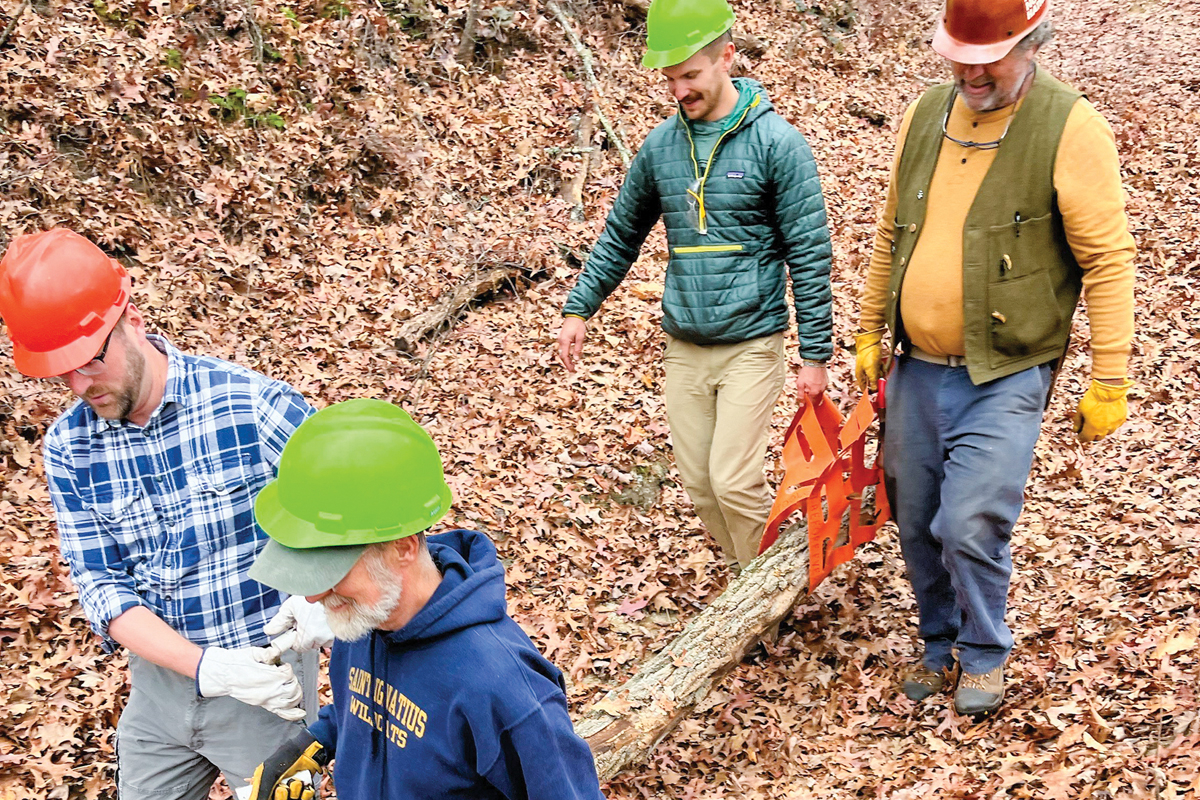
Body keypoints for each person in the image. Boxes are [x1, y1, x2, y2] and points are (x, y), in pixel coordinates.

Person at [854, 0, 1136, 718]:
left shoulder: (1069, 126)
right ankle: (938, 640)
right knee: (915, 518)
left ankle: (984, 649)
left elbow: (1107, 259)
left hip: (1006, 369)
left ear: (1033, 43)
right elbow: (893, 232)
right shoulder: (926, 115)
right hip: (915, 365)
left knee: (970, 517)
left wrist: (1111, 375)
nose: (972, 73)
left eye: (991, 58)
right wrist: (866, 332)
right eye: (961, 56)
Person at [0, 228, 329, 798]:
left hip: (266, 686)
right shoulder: (69, 448)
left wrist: (326, 595)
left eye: (91, 362)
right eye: (62, 373)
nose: (80, 385)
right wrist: (203, 667)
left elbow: (349, 510)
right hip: (159, 691)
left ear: (132, 318)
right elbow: (100, 582)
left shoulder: (251, 406)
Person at [556, 0, 833, 571]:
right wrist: (579, 308)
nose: (679, 90)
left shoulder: (778, 144)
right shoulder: (661, 148)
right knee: (701, 487)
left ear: (726, 57)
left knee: (733, 481)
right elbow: (621, 234)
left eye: (690, 75)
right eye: (670, 78)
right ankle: (749, 582)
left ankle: (765, 592)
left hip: (752, 344)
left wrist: (815, 354)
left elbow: (809, 254)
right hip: (685, 346)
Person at [245, 399, 607, 800]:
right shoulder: (367, 617)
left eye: (332, 572)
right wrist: (316, 740)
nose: (314, 594)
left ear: (401, 548)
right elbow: (370, 706)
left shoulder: (504, 689)